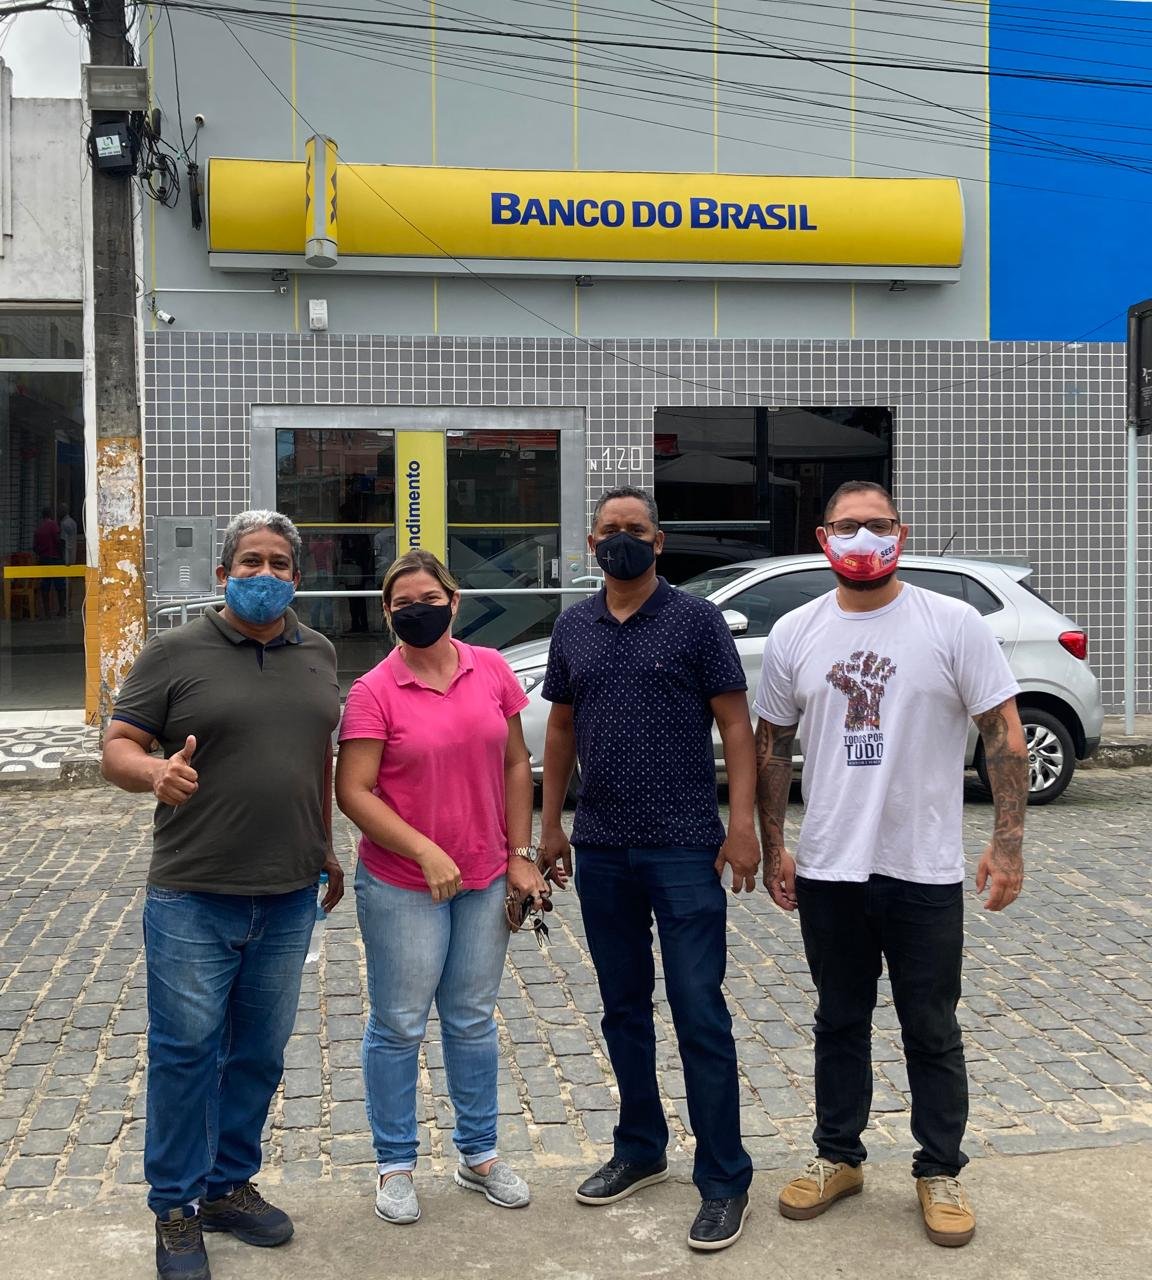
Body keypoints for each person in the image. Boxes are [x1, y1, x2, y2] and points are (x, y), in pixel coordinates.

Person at [753, 480, 1028, 1249]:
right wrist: (774, 846)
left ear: (901, 533)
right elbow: (772, 745)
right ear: (823, 538)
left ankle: (939, 1169)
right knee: (838, 1020)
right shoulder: (797, 632)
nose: (863, 538)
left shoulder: (952, 623)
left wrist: (1008, 844)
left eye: (878, 524)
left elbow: (1004, 732)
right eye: (848, 526)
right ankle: (838, 1157)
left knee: (930, 1027)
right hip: (830, 867)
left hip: (924, 867)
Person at [101, 509, 343, 1280]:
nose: (264, 575)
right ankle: (175, 1207)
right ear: (223, 574)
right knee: (185, 1056)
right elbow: (117, 746)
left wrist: (326, 844)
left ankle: (227, 1186)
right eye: (249, 562)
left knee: (259, 1054)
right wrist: (154, 772)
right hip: (193, 895)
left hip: (289, 892)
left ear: (297, 576)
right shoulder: (174, 652)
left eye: (278, 563)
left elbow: (317, 756)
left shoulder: (319, 653)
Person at [538, 486, 759, 1253]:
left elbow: (736, 725)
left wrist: (742, 827)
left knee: (699, 1009)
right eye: (610, 529)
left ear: (659, 541)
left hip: (685, 849)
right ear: (591, 542)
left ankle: (724, 1178)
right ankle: (639, 1148)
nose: (621, 539)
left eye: (635, 529)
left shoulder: (697, 622)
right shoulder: (573, 627)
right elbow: (560, 729)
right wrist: (549, 828)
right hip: (601, 848)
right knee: (623, 1008)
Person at [335, 549, 547, 1226]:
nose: (417, 610)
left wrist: (521, 855)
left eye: (429, 598)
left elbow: (516, 763)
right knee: (399, 1023)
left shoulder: (490, 668)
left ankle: (478, 1154)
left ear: (454, 602)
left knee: (472, 1018)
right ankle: (395, 1164)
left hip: (485, 876)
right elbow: (353, 790)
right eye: (402, 603)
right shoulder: (373, 690)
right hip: (402, 883)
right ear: (386, 613)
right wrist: (423, 850)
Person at [32, 505, 64, 618]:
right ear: (50, 514)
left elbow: (35, 547)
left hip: (43, 559)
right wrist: (62, 555)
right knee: (60, 585)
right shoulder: (53, 525)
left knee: (45, 585)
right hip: (55, 559)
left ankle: (47, 612)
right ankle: (61, 610)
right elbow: (57, 540)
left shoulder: (39, 528)